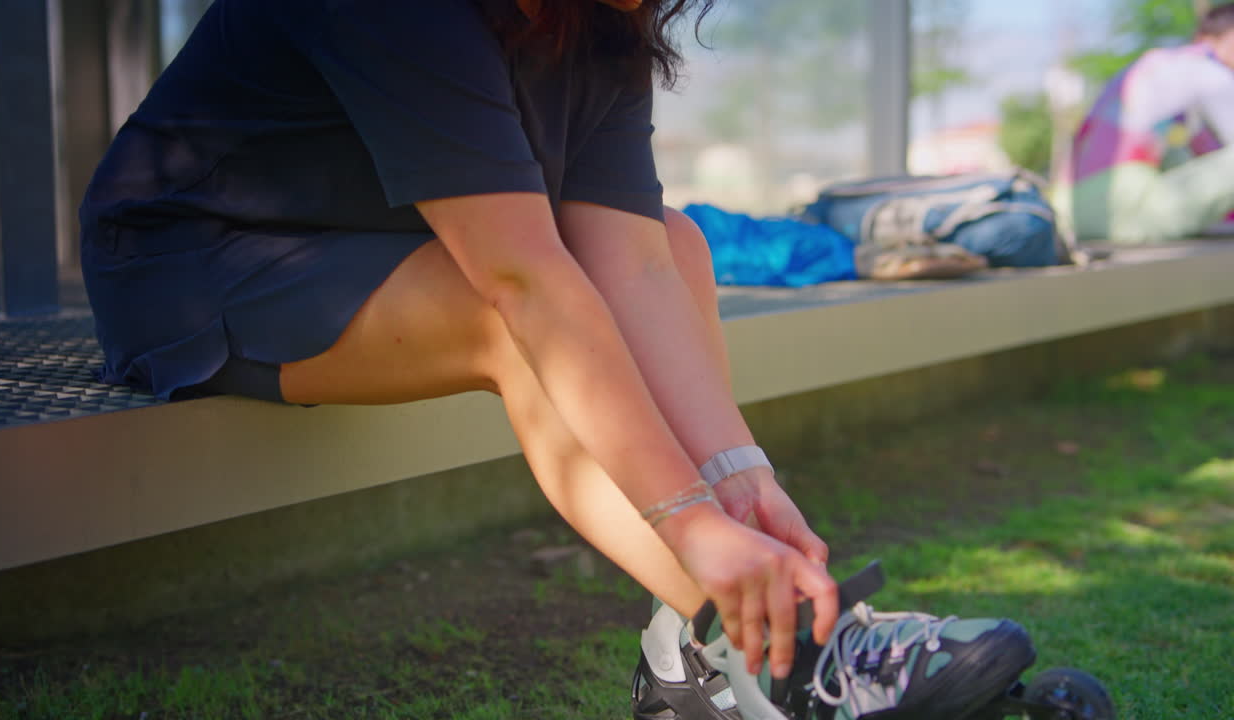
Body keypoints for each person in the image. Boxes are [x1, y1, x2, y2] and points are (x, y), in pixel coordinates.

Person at [80, 0, 838, 686]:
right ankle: (790, 660)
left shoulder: (602, 17)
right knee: (513, 319)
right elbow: (523, 282)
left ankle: (701, 654)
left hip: (376, 237)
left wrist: (741, 478)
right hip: (193, 263)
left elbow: (638, 266)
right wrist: (692, 521)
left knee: (676, 242)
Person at [1065, 3, 1234, 243]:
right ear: (1213, 39)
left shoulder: (1156, 65)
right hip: (1129, 208)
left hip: (1079, 212)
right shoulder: (1209, 72)